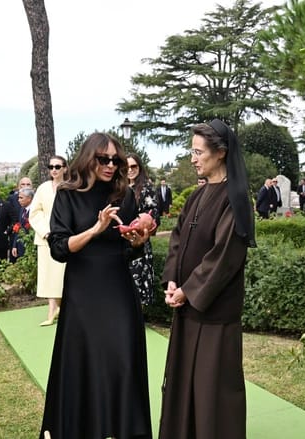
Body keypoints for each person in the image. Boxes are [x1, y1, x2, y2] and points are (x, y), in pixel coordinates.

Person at [40, 132, 152, 439]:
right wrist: (95, 229)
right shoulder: (67, 194)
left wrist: (137, 242)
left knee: (123, 360)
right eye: (103, 159)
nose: (111, 165)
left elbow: (127, 250)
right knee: (83, 363)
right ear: (88, 158)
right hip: (82, 291)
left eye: (116, 160)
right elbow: (59, 249)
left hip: (118, 288)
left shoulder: (123, 195)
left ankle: (124, 431)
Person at [159, 119, 256, 439]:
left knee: (212, 390)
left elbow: (224, 256)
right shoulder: (196, 196)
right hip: (187, 309)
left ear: (221, 153)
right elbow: (177, 240)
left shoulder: (236, 198)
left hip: (215, 314)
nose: (193, 159)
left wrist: (188, 291)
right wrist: (172, 281)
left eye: (198, 152)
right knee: (184, 384)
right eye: (192, 151)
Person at [29, 156, 68, 326]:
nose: (54, 170)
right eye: (51, 167)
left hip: (66, 237)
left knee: (63, 275)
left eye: (57, 166)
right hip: (46, 238)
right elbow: (35, 212)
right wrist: (46, 232)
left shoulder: (70, 187)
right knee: (49, 275)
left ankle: (62, 308)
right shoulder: (42, 188)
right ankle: (52, 309)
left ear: (65, 168)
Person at [127, 152, 159, 305]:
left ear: (139, 167)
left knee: (138, 290)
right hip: (121, 243)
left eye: (133, 166)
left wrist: (138, 224)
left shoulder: (147, 188)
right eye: (126, 167)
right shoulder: (119, 187)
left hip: (139, 242)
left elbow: (154, 217)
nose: (130, 170)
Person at [10, 187, 34, 262]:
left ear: (29, 198)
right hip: (21, 247)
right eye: (18, 197)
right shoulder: (22, 209)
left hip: (31, 248)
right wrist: (15, 245)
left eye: (21, 198)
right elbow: (19, 228)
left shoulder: (35, 211)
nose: (18, 200)